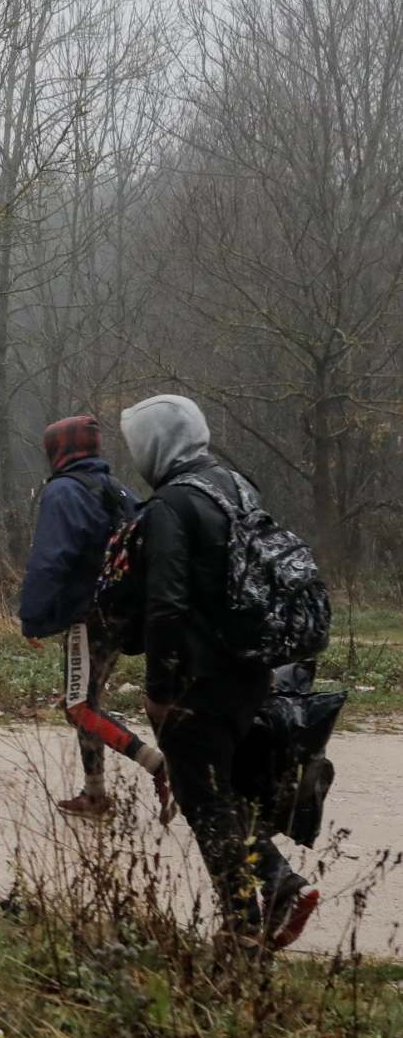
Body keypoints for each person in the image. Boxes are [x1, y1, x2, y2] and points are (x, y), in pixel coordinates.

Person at [121, 394, 319, 950]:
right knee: (224, 794)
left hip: (197, 682)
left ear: (157, 447)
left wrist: (159, 691)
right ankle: (275, 890)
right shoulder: (236, 485)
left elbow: (165, 606)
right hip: (250, 672)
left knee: (204, 804)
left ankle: (242, 928)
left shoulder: (170, 507)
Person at [17, 414, 169, 819]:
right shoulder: (115, 489)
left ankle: (156, 765)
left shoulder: (64, 492)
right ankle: (95, 795)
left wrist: (33, 618)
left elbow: (50, 559)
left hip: (88, 616)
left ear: (58, 450)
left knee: (78, 707)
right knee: (89, 700)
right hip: (121, 614)